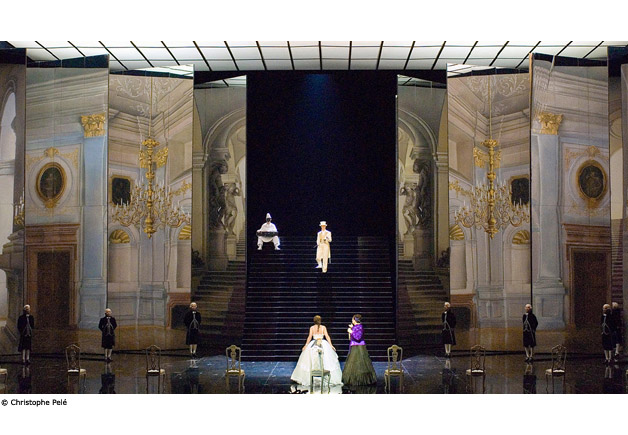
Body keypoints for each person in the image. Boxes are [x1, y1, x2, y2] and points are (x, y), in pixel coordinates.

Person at [291, 315, 342, 386]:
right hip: (322, 344)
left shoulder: (312, 328)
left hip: (314, 344)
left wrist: (306, 345)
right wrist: (330, 345)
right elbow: (327, 336)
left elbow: (309, 337)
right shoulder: (323, 327)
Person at [342, 314, 377, 385]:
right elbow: (350, 338)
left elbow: (358, 337)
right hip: (354, 346)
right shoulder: (355, 327)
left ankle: (362, 380)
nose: (352, 320)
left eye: (353, 319)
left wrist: (351, 331)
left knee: (360, 363)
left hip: (359, 347)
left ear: (355, 320)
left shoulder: (360, 327)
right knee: (353, 364)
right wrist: (351, 330)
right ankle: (354, 379)